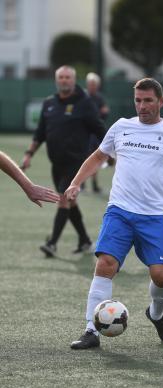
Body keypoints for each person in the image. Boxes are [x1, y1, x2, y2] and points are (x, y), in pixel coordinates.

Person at [65, 78, 163, 349]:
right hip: (120, 211)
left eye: (148, 100)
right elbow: (98, 157)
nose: (142, 106)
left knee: (161, 276)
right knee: (105, 264)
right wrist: (76, 182)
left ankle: (156, 315)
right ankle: (91, 330)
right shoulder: (121, 127)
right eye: (138, 101)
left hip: (155, 216)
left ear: (161, 101)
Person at [21, 65, 106, 257]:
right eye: (61, 77)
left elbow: (99, 129)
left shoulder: (84, 102)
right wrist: (28, 155)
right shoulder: (49, 103)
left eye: (68, 77)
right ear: (56, 80)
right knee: (71, 201)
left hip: (76, 163)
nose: (64, 80)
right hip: (56, 163)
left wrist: (111, 153)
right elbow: (40, 133)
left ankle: (52, 244)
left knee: (64, 199)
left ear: (74, 80)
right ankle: (84, 240)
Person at [85, 72, 110, 193]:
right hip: (84, 133)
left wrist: (101, 113)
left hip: (95, 134)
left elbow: (105, 112)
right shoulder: (83, 97)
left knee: (96, 157)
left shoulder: (99, 98)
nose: (92, 86)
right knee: (83, 157)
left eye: (94, 84)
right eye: (90, 84)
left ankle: (94, 185)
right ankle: (81, 184)